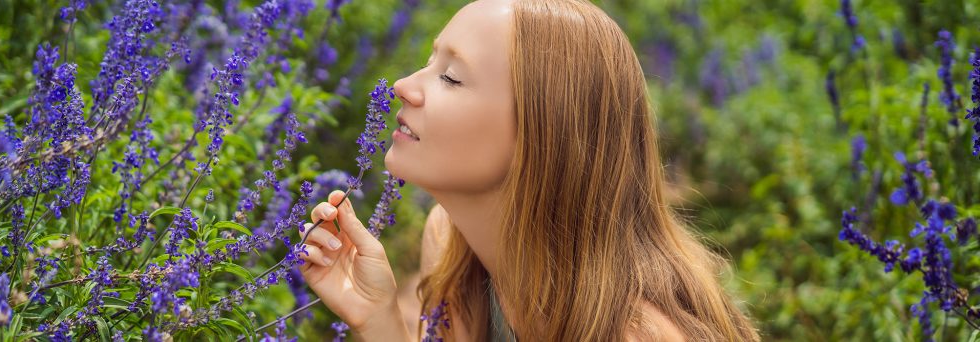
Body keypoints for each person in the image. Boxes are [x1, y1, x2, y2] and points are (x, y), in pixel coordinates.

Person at [297, 0, 760, 340]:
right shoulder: (453, 252)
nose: (402, 86)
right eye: (430, 61)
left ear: (541, 133)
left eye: (452, 77)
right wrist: (377, 319)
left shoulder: (635, 335)